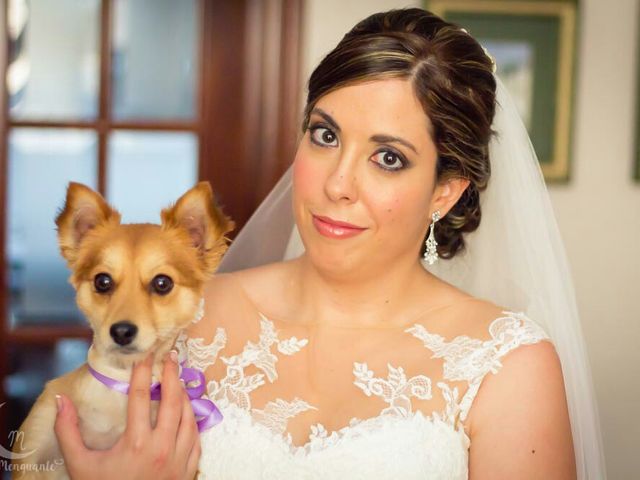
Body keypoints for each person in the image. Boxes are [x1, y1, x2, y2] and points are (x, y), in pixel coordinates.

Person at [54, 7, 606, 479]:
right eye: (325, 135)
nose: (337, 183)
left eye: (388, 157)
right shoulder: (185, 317)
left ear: (445, 191)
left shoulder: (507, 365)